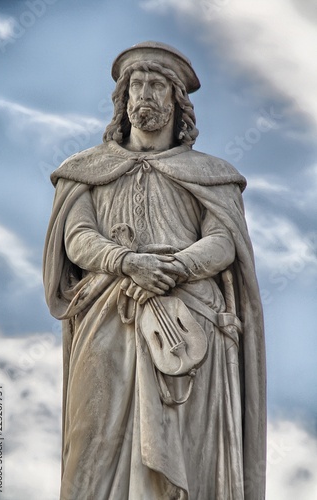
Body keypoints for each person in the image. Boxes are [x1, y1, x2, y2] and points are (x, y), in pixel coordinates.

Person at [43, 41, 266, 500]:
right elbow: (77, 237)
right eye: (136, 86)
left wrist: (177, 267)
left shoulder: (211, 175)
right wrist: (126, 261)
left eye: (156, 86)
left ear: (176, 102)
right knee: (91, 443)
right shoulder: (86, 170)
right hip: (107, 320)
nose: (144, 94)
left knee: (187, 449)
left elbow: (223, 241)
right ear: (123, 101)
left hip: (186, 328)